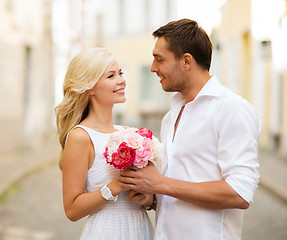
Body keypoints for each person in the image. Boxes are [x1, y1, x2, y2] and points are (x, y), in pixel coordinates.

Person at [119, 19, 261, 240]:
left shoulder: (232, 109)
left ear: (186, 61)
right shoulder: (171, 115)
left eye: (159, 59)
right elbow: (180, 184)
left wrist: (161, 184)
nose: (153, 68)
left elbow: (240, 193)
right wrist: (154, 198)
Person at [54, 47, 154, 240]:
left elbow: (144, 191)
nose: (121, 80)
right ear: (90, 87)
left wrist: (145, 196)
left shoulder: (129, 134)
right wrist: (115, 186)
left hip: (141, 229)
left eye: (120, 73)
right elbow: (72, 210)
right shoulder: (80, 137)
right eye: (111, 76)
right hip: (107, 231)